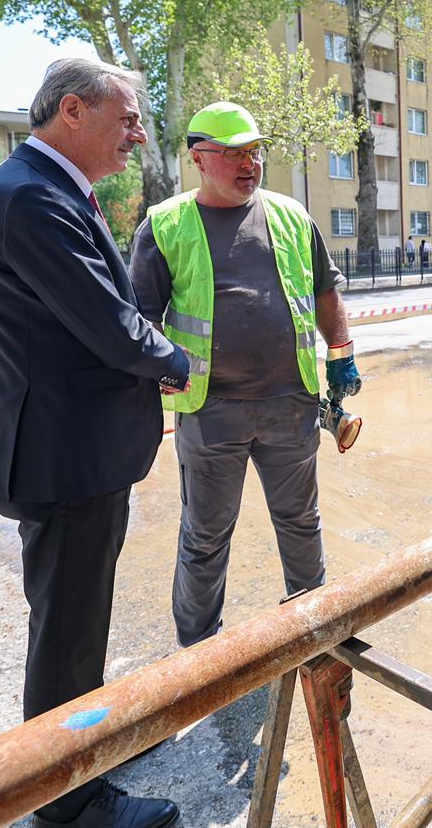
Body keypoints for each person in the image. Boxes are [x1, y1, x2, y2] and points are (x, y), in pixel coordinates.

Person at [0, 58, 188, 828]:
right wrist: (179, 362)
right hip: (62, 453)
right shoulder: (30, 196)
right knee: (67, 631)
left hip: (68, 445)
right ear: (72, 111)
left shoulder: (41, 188)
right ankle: (66, 806)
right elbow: (107, 321)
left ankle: (80, 753)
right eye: (127, 119)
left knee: (76, 619)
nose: (138, 135)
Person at [129, 102, 359, 649]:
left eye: (254, 152)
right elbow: (141, 319)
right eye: (233, 154)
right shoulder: (166, 225)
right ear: (198, 159)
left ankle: (313, 634)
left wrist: (341, 352)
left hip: (292, 406)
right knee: (205, 537)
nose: (248, 164)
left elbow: (324, 289)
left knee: (301, 523)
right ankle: (199, 653)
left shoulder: (291, 216)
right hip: (210, 411)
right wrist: (158, 377)